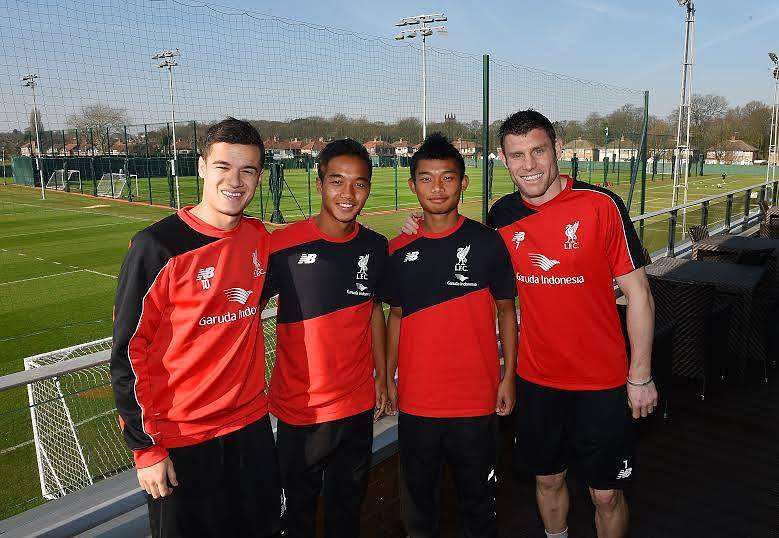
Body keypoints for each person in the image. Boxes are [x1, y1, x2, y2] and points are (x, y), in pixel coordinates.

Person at [403, 111, 657, 538]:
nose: (529, 165)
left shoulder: (599, 205)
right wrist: (418, 227)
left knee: (606, 495)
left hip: (603, 381)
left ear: (557, 149)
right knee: (547, 479)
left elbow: (639, 295)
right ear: (503, 160)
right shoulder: (501, 217)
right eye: (516, 155)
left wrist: (641, 375)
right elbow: (466, 266)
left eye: (538, 151)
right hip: (537, 380)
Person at [110, 117, 281, 537]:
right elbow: (127, 353)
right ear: (202, 167)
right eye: (223, 166)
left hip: (251, 429)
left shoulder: (259, 237)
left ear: (259, 176)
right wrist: (145, 449)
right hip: (183, 439)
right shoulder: (157, 247)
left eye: (248, 170)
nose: (235, 181)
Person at [383, 133, 518, 538]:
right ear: (412, 185)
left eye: (447, 178)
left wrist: (508, 375)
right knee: (418, 511)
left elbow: (507, 312)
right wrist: (388, 379)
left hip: (475, 403)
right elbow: (394, 317)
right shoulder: (397, 249)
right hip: (417, 405)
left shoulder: (487, 242)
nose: (437, 188)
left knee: (479, 507)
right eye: (426, 178)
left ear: (464, 183)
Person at [261, 139, 388, 538]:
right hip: (302, 412)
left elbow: (373, 312)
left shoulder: (374, 245)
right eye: (337, 181)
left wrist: (383, 376)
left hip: (356, 408)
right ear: (319, 184)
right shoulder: (281, 246)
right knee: (295, 518)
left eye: (359, 184)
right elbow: (239, 314)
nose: (348, 194)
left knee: (346, 513)